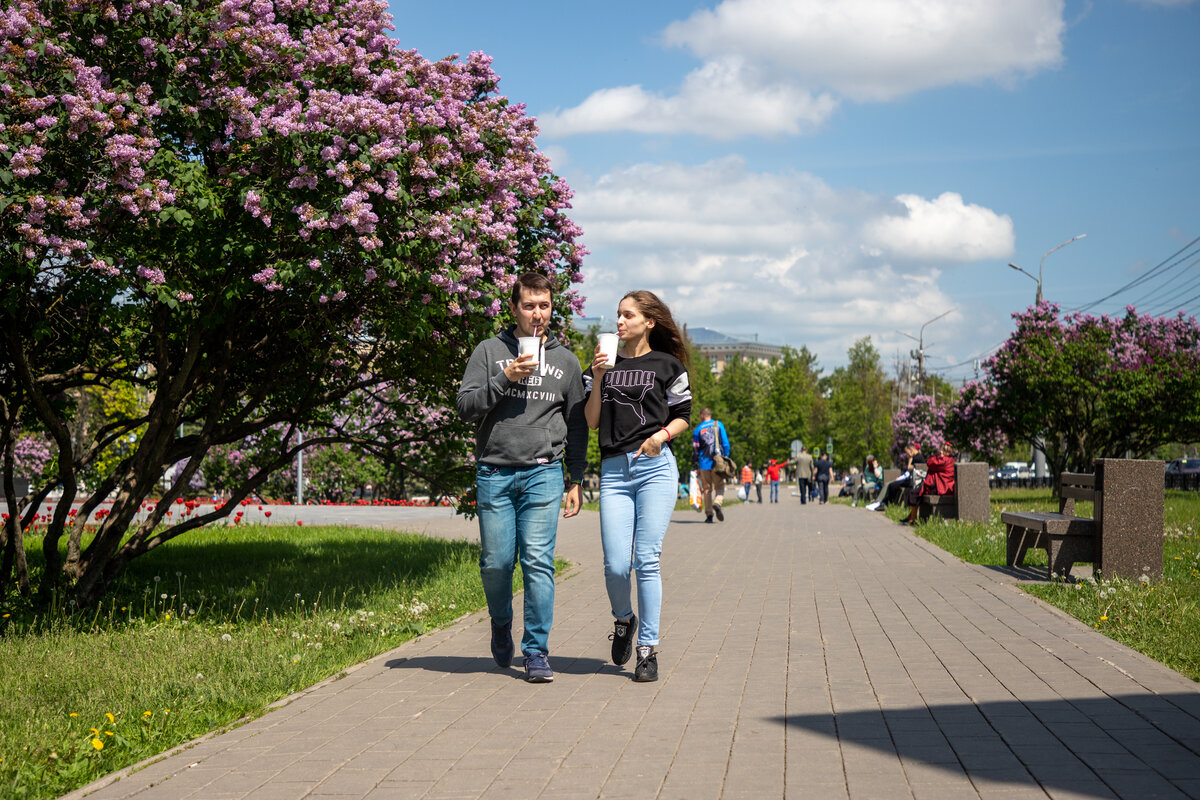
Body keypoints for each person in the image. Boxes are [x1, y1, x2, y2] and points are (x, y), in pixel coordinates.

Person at [456, 272, 587, 683]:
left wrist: (576, 477)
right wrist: (505, 377)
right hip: (494, 472)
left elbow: (578, 424)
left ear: (552, 308)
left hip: (543, 474)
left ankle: (535, 652)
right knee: (496, 564)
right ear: (513, 307)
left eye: (544, 305)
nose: (537, 313)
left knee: (537, 563)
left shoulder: (566, 361)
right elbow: (465, 406)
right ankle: (500, 622)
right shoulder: (489, 351)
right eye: (529, 305)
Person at [585, 290, 692, 683]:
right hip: (613, 470)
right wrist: (597, 377)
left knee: (645, 560)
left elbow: (683, 415)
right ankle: (623, 619)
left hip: (654, 468)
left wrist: (661, 436)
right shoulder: (601, 364)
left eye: (627, 315)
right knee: (615, 564)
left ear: (649, 321)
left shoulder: (668, 365)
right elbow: (593, 421)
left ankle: (647, 650)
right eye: (617, 315)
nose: (619, 322)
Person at [902, 442, 957, 524]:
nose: (942, 452)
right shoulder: (945, 459)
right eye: (941, 449)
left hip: (942, 487)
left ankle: (913, 518)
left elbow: (930, 463)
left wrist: (937, 458)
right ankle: (912, 516)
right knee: (917, 492)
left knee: (915, 493)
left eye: (945, 451)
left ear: (949, 452)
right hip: (938, 485)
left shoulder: (945, 461)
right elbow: (930, 462)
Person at [692, 408, 730, 523]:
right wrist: (725, 458)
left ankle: (709, 515)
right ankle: (717, 502)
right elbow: (726, 443)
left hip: (704, 463)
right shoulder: (718, 425)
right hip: (717, 463)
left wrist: (695, 467)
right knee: (719, 487)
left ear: (702, 415)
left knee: (707, 489)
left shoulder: (697, 429)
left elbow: (695, 450)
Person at [868, 443, 925, 511]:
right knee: (892, 485)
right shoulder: (917, 456)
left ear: (911, 450)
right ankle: (886, 503)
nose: (907, 455)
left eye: (907, 453)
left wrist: (910, 458)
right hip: (912, 479)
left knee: (893, 485)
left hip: (914, 481)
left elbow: (909, 468)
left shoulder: (917, 457)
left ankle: (887, 504)